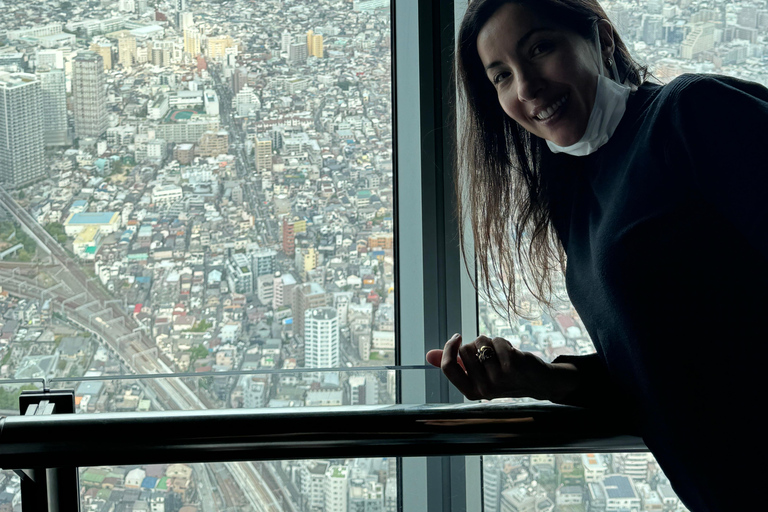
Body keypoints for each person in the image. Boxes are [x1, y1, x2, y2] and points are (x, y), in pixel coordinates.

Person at [425, 1, 768, 510]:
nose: (526, 88)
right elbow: (652, 370)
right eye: (501, 77)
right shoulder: (576, 197)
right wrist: (536, 377)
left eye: (540, 48)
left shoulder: (692, 113)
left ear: (602, 40)